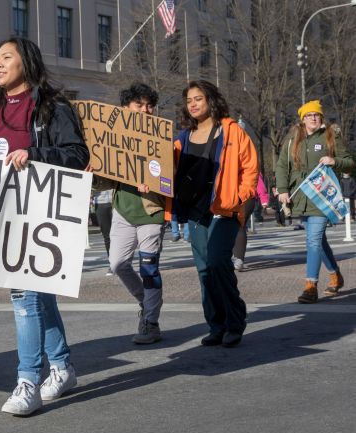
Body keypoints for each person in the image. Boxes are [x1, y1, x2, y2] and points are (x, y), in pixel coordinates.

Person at [0, 37, 89, 416]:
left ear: (27, 61)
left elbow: (77, 154)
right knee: (40, 294)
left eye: (6, 57)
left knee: (23, 293)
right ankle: (62, 367)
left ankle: (27, 380)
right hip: (2, 212)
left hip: (39, 213)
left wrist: (34, 154)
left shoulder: (52, 106)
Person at [174, 80, 258, 348]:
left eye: (198, 98)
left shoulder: (231, 132)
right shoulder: (182, 138)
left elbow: (250, 168)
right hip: (195, 212)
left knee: (218, 262)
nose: (193, 104)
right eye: (189, 101)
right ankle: (216, 325)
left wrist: (239, 197)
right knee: (204, 271)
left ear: (210, 100)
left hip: (225, 208)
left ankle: (235, 320)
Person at [107, 83, 171, 345]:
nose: (146, 110)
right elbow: (105, 174)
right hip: (123, 210)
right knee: (117, 264)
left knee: (149, 268)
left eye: (149, 105)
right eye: (139, 104)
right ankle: (146, 301)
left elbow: (170, 176)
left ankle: (151, 322)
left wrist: (155, 182)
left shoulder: (161, 137)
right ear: (126, 108)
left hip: (151, 212)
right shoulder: (112, 136)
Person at [275, 100, 353, 304]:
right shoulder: (293, 139)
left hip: (322, 195)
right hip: (300, 195)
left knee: (312, 240)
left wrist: (334, 161)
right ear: (302, 119)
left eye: (316, 115)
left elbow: (350, 162)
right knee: (319, 240)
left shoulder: (330, 136)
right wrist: (282, 189)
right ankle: (336, 275)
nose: (313, 118)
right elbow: (283, 165)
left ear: (321, 117)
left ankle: (311, 286)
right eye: (309, 115)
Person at [232, 172, 269, 271]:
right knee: (239, 226)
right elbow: (259, 181)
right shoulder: (250, 162)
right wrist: (264, 198)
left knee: (236, 226)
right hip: (247, 197)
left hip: (236, 196)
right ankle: (238, 259)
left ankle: (237, 259)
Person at [93, 188, 114, 275]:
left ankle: (123, 262)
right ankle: (113, 265)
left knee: (121, 234)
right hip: (100, 201)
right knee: (107, 236)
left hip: (117, 200)